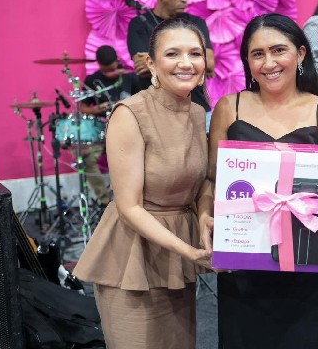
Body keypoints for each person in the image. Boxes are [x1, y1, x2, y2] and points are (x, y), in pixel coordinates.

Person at [201, 13, 318, 349]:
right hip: (243, 269)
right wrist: (204, 216)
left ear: (300, 53)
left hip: (306, 263)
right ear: (247, 61)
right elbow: (211, 181)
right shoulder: (229, 108)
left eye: (278, 50)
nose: (269, 63)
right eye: (257, 54)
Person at [73, 19, 213, 349]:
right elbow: (130, 207)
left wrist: (204, 215)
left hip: (178, 259)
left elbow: (202, 181)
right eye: (173, 53)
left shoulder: (197, 112)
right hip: (133, 256)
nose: (186, 63)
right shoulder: (130, 113)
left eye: (194, 53)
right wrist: (190, 251)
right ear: (151, 63)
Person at [127, 0, 215, 115]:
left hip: (197, 110)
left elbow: (210, 62)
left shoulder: (197, 23)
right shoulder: (139, 23)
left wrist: (161, 63)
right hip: (156, 113)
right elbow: (143, 67)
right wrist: (194, 62)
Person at [78, 45, 137, 207]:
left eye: (112, 69)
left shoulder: (129, 77)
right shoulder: (92, 80)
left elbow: (143, 102)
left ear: (117, 61)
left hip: (127, 130)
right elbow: (83, 107)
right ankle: (105, 202)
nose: (110, 73)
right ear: (98, 65)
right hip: (101, 129)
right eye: (106, 71)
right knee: (87, 159)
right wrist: (96, 109)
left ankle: (129, 200)